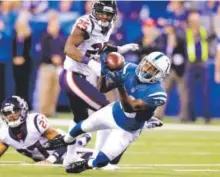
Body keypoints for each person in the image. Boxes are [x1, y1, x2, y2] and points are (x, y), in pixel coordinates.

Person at [44, 51, 171, 173]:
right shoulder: (129, 68)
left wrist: (120, 85)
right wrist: (104, 74)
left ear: (160, 75)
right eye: (147, 64)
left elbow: (130, 107)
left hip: (128, 128)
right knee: (82, 126)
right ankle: (66, 140)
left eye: (152, 69)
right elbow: (102, 88)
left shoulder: (157, 93)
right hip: (114, 111)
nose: (146, 69)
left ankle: (87, 164)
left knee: (102, 161)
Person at [59, 0, 139, 168]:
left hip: (81, 76)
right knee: (106, 112)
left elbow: (98, 46)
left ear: (113, 15)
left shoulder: (107, 27)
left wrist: (121, 49)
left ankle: (70, 157)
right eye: (101, 13)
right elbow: (69, 47)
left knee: (79, 118)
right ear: (95, 11)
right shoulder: (86, 23)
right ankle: (99, 158)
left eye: (108, 14)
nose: (104, 17)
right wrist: (89, 62)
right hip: (73, 75)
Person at [0, 95, 92, 164]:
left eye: (14, 112)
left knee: (96, 160)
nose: (10, 116)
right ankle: (81, 140)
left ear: (23, 110)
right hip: (47, 160)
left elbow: (63, 143)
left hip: (66, 152)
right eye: (7, 113)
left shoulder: (35, 122)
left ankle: (81, 140)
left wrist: (50, 160)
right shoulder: (4, 134)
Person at [12, 12, 32, 106]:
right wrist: (15, 58)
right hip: (15, 64)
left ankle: (25, 104)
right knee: (16, 84)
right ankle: (16, 103)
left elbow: (30, 50)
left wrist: (23, 58)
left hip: (25, 64)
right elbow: (12, 48)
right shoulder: (14, 36)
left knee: (25, 85)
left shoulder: (29, 36)